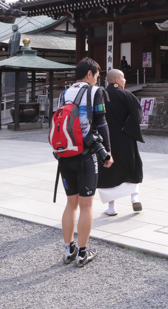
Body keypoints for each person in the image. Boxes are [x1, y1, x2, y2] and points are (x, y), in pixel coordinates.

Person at [57, 58, 113, 267]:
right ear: (90, 74)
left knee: (71, 203)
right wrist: (108, 151)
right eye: (97, 75)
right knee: (86, 204)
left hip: (64, 153)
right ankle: (82, 253)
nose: (97, 80)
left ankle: (68, 249)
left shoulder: (64, 94)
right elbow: (101, 121)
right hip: (86, 154)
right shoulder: (94, 91)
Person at [97, 69, 144, 216]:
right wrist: (129, 131)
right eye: (123, 78)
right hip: (125, 138)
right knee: (131, 165)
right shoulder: (126, 95)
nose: (125, 81)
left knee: (109, 170)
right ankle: (134, 197)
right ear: (116, 80)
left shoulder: (100, 95)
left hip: (105, 140)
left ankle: (111, 208)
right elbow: (137, 114)